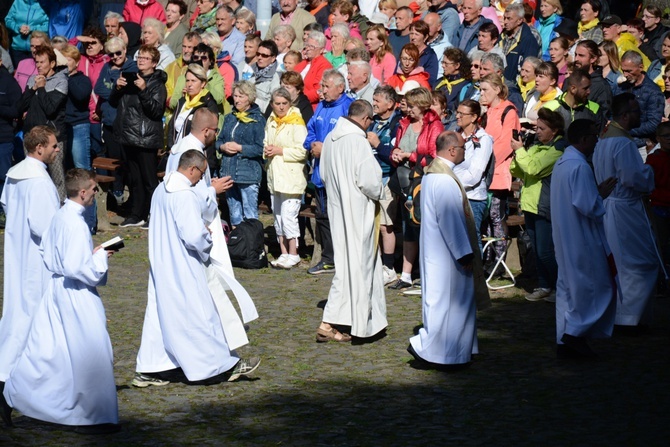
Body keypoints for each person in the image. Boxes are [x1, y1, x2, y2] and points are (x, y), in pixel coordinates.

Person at [2, 168, 119, 433]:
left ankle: (27, 396)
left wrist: (89, 255)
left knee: (57, 355)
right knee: (90, 352)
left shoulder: (60, 216)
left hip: (57, 289)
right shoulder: (74, 222)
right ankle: (91, 415)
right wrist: (100, 257)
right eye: (93, 189)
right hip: (75, 293)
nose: (95, 193)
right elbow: (82, 270)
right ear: (82, 192)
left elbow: (49, 250)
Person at [134, 149, 260, 387]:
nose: (200, 179)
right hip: (183, 266)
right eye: (201, 174)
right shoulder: (184, 195)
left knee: (162, 315)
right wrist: (206, 235)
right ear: (191, 169)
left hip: (163, 262)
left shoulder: (162, 189)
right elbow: (193, 236)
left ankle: (156, 366)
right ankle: (219, 366)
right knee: (201, 314)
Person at [407, 130, 490, 368]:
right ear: (452, 150)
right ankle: (437, 352)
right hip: (447, 256)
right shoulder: (443, 180)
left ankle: (458, 350)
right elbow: (450, 220)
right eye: (463, 148)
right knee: (449, 304)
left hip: (439, 252)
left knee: (446, 304)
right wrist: (464, 252)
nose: (465, 152)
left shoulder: (434, 175)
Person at [316, 99, 386, 343]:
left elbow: (323, 175)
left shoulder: (330, 139)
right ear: (366, 119)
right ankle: (360, 324)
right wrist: (380, 192)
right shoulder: (358, 142)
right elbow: (370, 182)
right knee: (360, 267)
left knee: (346, 266)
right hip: (358, 212)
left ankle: (329, 321)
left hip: (337, 210)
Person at [551, 119, 617, 359]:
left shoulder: (563, 163)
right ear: (584, 139)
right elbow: (587, 205)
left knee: (568, 289)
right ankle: (574, 334)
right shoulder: (579, 167)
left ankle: (565, 339)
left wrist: (594, 194)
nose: (597, 141)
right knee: (595, 287)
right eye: (594, 136)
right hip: (581, 237)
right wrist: (599, 195)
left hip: (565, 235)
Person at [593, 93, 659, 332]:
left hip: (612, 207)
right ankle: (628, 316)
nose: (639, 115)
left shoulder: (604, 140)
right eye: (635, 111)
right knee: (639, 263)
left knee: (622, 262)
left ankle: (625, 313)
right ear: (624, 115)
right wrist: (650, 167)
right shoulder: (622, 142)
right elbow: (634, 178)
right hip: (625, 208)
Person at [0, 126, 60, 385]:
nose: (57, 150)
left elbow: (6, 203)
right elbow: (43, 225)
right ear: (39, 148)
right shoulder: (39, 181)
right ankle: (14, 374)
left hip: (18, 251)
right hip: (37, 258)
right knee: (32, 315)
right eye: (54, 146)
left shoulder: (15, 174)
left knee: (16, 311)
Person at [389, 87, 444, 290]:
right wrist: (395, 154)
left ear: (421, 105)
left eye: (411, 106)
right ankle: (406, 274)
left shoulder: (433, 125)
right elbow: (397, 146)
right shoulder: (404, 124)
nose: (408, 110)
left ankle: (428, 273)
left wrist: (408, 156)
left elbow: (432, 154)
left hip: (423, 181)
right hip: (405, 182)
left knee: (423, 226)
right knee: (408, 228)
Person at [510, 108, 566, 302]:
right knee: (537, 249)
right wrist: (520, 153)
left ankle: (560, 287)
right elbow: (518, 168)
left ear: (555, 130)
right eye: (538, 128)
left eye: (542, 128)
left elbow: (533, 168)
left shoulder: (558, 150)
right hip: (530, 204)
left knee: (546, 252)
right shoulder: (535, 147)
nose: (538, 132)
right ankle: (545, 285)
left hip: (545, 206)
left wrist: (520, 153)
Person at [111, 44, 167, 228]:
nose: (141, 60)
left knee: (149, 180)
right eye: (139, 57)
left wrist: (143, 90)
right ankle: (136, 214)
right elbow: (113, 102)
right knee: (134, 180)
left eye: (145, 58)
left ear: (154, 63)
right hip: (128, 136)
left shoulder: (157, 84)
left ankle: (154, 214)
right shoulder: (132, 78)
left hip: (146, 138)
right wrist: (117, 88)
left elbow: (156, 111)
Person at [303, 69, 354, 274]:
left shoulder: (347, 107)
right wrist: (312, 145)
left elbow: (351, 139)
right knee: (322, 216)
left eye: (326, 86)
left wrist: (327, 148)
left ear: (340, 88)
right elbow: (311, 129)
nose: (321, 91)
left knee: (340, 215)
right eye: (322, 86)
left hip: (339, 173)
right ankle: (328, 258)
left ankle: (345, 257)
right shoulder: (321, 106)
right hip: (320, 172)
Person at [479, 73, 519, 274]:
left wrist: (486, 162)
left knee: (496, 215)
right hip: (483, 172)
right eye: (480, 89)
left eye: (485, 89)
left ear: (496, 89)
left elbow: (505, 143)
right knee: (485, 218)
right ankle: (487, 257)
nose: (481, 94)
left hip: (497, 171)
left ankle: (499, 260)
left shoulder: (508, 110)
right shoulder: (485, 111)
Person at [264, 88, 308, 269]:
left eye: (284, 103)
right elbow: (266, 142)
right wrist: (266, 151)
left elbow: (303, 151)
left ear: (290, 104)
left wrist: (280, 151)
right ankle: (283, 252)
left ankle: (294, 253)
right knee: (279, 216)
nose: (281, 107)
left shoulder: (296, 122)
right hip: (275, 174)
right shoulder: (272, 120)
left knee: (289, 216)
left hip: (291, 175)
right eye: (277, 103)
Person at [18, 44, 68, 200]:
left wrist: (41, 88)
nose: (38, 66)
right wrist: (32, 89)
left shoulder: (61, 81)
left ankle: (59, 207)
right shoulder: (34, 79)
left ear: (52, 63)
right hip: (32, 136)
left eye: (42, 62)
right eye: (37, 62)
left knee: (56, 177)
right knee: (33, 176)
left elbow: (50, 109)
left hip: (52, 137)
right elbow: (20, 106)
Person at [94, 37, 137, 206]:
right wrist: (114, 88)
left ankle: (128, 194)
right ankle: (116, 190)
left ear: (125, 50)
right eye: (111, 54)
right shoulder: (107, 67)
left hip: (125, 122)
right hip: (110, 121)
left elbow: (126, 94)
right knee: (113, 158)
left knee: (125, 161)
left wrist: (112, 91)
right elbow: (98, 88)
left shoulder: (132, 68)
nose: (115, 57)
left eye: (118, 53)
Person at [367, 85, 403, 285]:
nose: (374, 103)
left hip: (387, 177)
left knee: (385, 226)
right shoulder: (372, 123)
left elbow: (394, 155)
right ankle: (376, 262)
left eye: (378, 100)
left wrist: (378, 145)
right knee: (373, 224)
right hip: (370, 178)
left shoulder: (397, 124)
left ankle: (389, 267)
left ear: (390, 103)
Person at [216, 80, 266, 226]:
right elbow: (218, 141)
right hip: (228, 172)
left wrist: (240, 148)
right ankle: (238, 246)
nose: (237, 100)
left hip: (248, 174)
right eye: (235, 96)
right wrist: (223, 147)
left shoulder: (257, 120)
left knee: (250, 215)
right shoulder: (229, 118)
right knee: (235, 215)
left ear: (249, 98)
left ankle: (254, 247)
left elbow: (260, 148)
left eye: (241, 96)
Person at [453, 99, 493, 250]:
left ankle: (476, 273)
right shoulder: (455, 136)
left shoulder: (484, 140)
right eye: (457, 112)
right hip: (454, 195)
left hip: (472, 198)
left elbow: (475, 174)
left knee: (470, 241)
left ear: (474, 117)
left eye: (462, 114)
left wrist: (451, 182)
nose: (457, 116)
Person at [612, 51, 665, 161]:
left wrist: (625, 130)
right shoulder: (621, 88)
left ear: (640, 67)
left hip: (640, 147)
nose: (625, 74)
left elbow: (653, 123)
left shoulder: (653, 92)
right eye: (623, 70)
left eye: (629, 71)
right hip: (618, 143)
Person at [166, 63, 218, 148]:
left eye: (193, 81)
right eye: (187, 80)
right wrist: (171, 148)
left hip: (194, 155)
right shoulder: (182, 101)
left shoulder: (208, 104)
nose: (189, 84)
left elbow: (210, 135)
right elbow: (172, 127)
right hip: (175, 151)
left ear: (203, 84)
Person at [500, 2, 541, 83]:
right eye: (504, 18)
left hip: (515, 88)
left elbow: (528, 70)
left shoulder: (529, 40)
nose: (505, 22)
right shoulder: (502, 35)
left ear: (519, 21)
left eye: (509, 19)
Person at [573, 39, 613, 121]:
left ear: (593, 59)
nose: (576, 59)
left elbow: (603, 118)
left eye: (581, 55)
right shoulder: (569, 81)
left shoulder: (602, 86)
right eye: (575, 54)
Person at [294, 31, 332, 109]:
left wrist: (297, 99)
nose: (307, 49)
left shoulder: (324, 65)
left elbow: (317, 91)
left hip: (308, 106)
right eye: (307, 45)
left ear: (321, 50)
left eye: (311, 47)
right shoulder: (303, 63)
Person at [5, 0, 49, 67]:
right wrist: (18, 28)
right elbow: (8, 20)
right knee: (19, 75)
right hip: (18, 49)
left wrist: (32, 29)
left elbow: (48, 25)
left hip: (38, 49)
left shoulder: (44, 4)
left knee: (37, 75)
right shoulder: (18, 2)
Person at [252, 40, 281, 112]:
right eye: (258, 54)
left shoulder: (275, 77)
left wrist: (250, 100)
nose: (259, 57)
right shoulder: (250, 69)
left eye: (264, 55)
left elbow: (273, 105)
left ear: (273, 58)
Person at [408, 20, 438, 87]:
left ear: (425, 37)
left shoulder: (430, 55)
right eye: (411, 33)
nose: (413, 37)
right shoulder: (405, 52)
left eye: (416, 34)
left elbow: (430, 80)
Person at [216, 5, 245, 70]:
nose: (219, 22)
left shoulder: (241, 40)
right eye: (217, 19)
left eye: (223, 19)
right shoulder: (211, 36)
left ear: (233, 21)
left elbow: (236, 64)